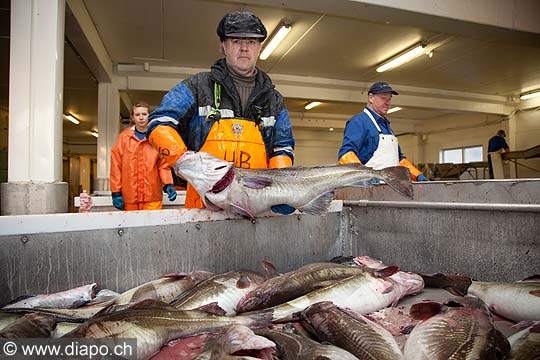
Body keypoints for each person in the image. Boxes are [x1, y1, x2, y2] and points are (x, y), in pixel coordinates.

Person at [146, 11, 295, 214]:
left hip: (255, 208)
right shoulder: (197, 86)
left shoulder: (274, 100)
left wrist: (279, 187)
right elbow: (159, 123)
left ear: (260, 47)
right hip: (203, 207)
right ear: (223, 46)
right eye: (235, 41)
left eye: (251, 41)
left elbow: (282, 147)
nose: (244, 48)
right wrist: (184, 160)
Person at [338, 82, 429, 181]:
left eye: (389, 99)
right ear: (371, 98)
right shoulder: (359, 122)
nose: (387, 103)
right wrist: (365, 177)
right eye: (383, 98)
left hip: (393, 186)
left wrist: (417, 175)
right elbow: (346, 155)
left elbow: (399, 158)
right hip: (370, 189)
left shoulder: (386, 126)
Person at [110, 101, 177, 210]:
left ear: (149, 116)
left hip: (152, 197)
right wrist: (116, 192)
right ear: (132, 117)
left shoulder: (157, 138)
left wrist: (168, 184)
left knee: (152, 226)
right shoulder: (124, 138)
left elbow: (163, 165)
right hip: (130, 197)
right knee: (132, 227)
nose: (141, 118)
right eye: (137, 115)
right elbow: (116, 165)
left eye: (144, 114)